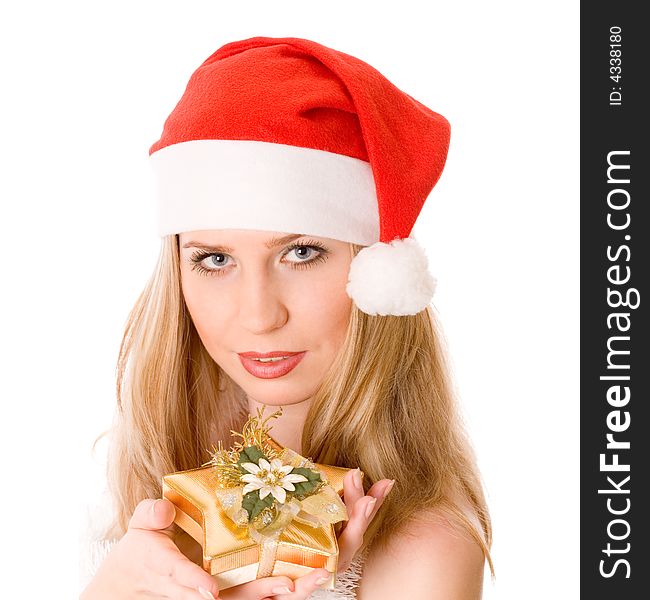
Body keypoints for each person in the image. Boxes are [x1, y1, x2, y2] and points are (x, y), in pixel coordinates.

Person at [79, 36, 494, 599]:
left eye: (301, 253)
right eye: (214, 259)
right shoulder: (129, 478)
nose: (258, 316)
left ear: (375, 275)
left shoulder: (422, 549)